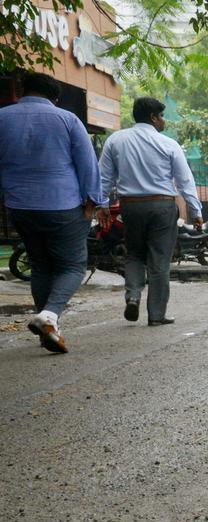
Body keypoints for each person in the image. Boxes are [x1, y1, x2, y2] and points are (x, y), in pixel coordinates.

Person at [0, 72, 103, 353]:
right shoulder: (68, 119)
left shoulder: (2, 117)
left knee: (41, 265)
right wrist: (94, 201)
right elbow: (88, 164)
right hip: (62, 205)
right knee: (72, 265)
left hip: (19, 205)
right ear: (54, 97)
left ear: (22, 90)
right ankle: (50, 315)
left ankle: (49, 330)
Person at [98, 97, 203, 326]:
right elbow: (185, 181)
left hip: (131, 206)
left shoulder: (115, 140)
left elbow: (104, 178)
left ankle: (133, 296)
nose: (164, 121)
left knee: (134, 254)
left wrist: (103, 206)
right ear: (153, 118)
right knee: (159, 260)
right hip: (162, 206)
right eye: (162, 116)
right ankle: (156, 315)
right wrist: (196, 212)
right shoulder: (168, 144)